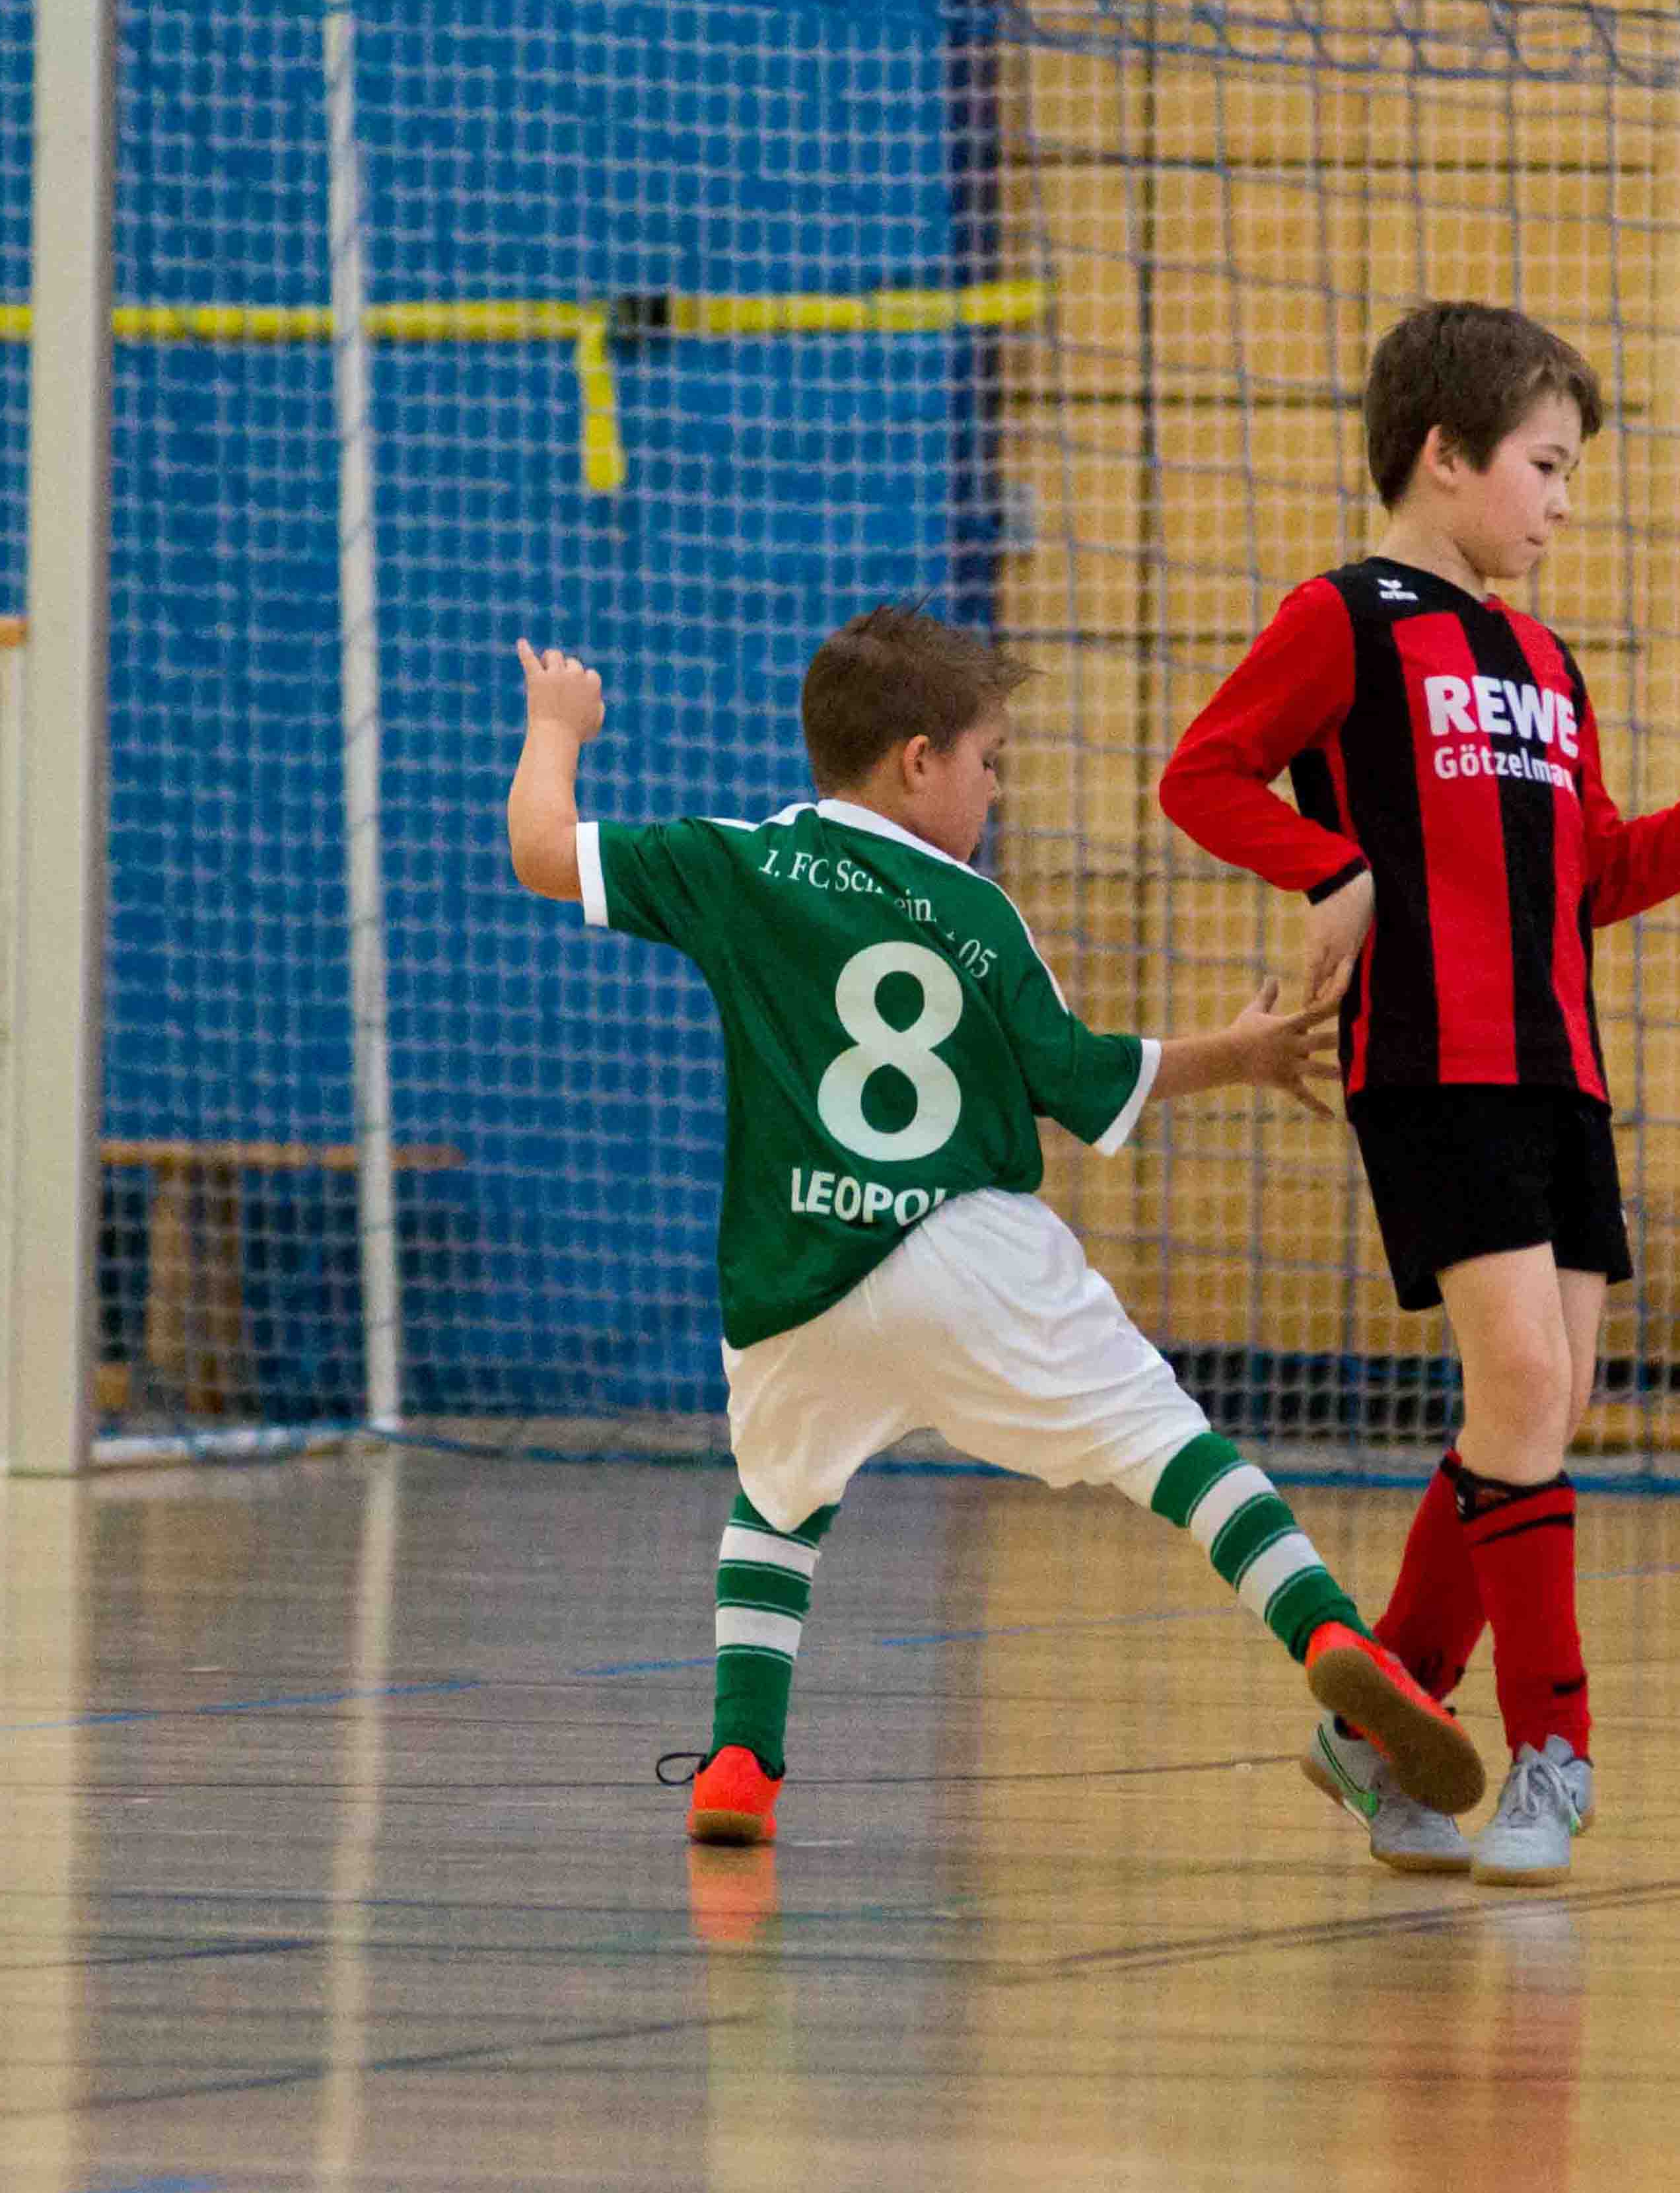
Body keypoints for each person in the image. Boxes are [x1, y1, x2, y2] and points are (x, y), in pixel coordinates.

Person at [507, 607, 1486, 1845]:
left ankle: (741, 1762)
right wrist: (1235, 1054)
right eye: (990, 760)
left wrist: (557, 727)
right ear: (919, 762)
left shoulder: (740, 862)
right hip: (970, 1258)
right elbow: (1079, 1080)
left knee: (777, 1499)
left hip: (799, 1276)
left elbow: (543, 851)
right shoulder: (978, 916)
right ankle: (1336, 1635)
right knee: (1172, 1450)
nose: (997, 787)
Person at [1159, 301, 1680, 1883]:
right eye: (1544, 467)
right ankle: (1556, 1752)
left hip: (1560, 1071)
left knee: (1535, 1408)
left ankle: (1377, 1727)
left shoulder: (1547, 661)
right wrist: (1328, 864)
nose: (1561, 503)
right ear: (1443, 453)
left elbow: (1601, 871)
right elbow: (1201, 773)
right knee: (1527, 1389)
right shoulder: (1342, 618)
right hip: (1431, 1062)